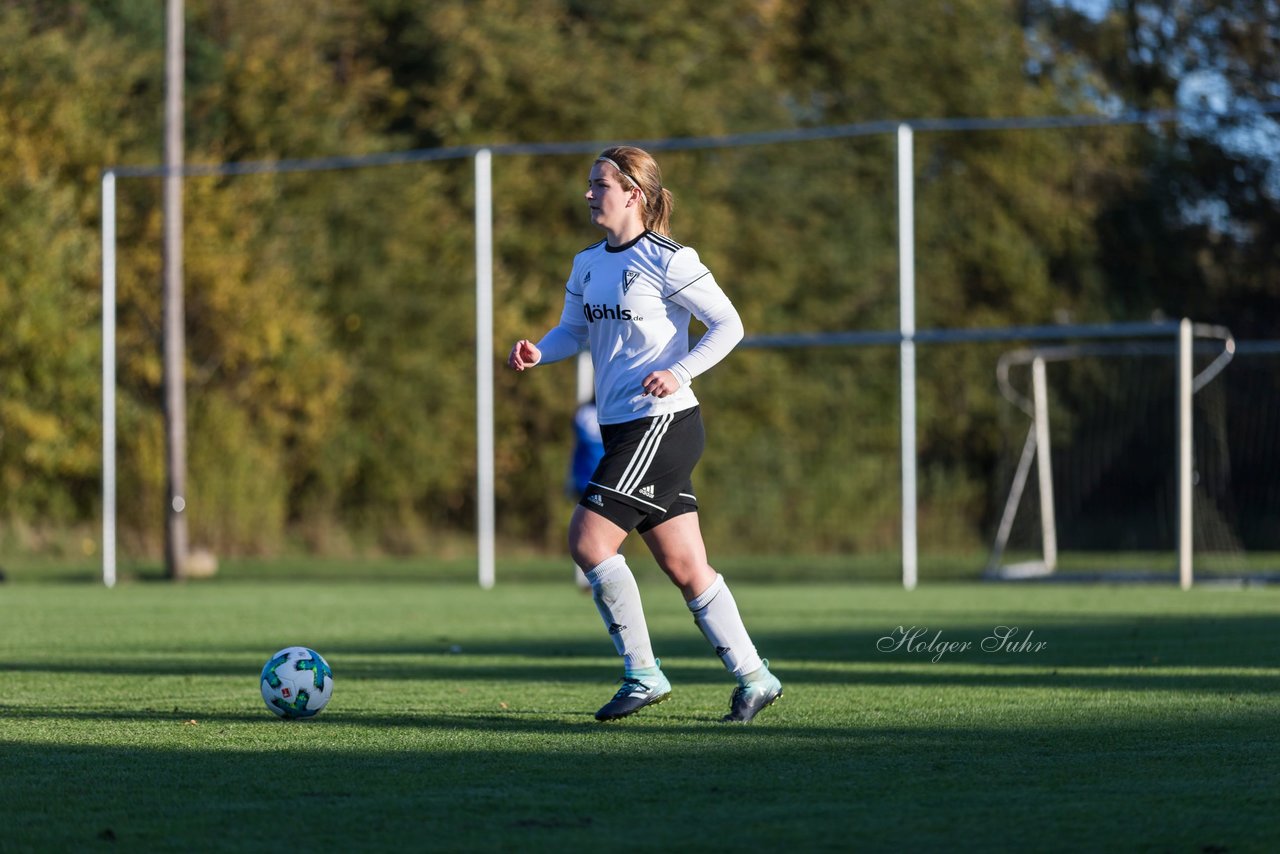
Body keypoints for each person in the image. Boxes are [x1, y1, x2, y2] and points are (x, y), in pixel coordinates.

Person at [507, 145, 782, 723]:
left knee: (588, 541)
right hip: (625, 430)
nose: (588, 193)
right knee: (686, 567)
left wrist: (678, 370)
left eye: (599, 184)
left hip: (663, 424)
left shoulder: (670, 260)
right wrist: (540, 351)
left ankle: (643, 674)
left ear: (634, 193)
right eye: (588, 183)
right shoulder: (587, 264)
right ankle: (756, 677)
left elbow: (729, 325)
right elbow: (571, 331)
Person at [569, 397, 605, 591]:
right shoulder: (586, 414)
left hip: (600, 479)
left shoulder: (584, 414)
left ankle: (599, 578)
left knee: (594, 532)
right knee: (587, 532)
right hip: (591, 479)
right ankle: (591, 579)